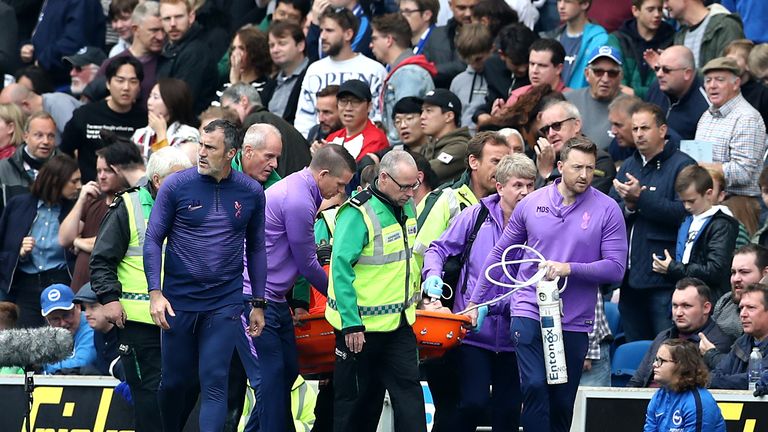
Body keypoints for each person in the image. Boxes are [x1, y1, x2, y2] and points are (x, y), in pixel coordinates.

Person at [469, 136, 628, 432]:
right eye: (577, 167)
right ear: (560, 166)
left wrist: (569, 268)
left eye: (590, 169)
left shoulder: (607, 209)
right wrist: (475, 303)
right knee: (533, 386)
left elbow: (616, 269)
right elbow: (499, 255)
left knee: (562, 400)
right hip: (529, 308)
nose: (584, 175)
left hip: (574, 319)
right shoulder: (531, 203)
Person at [142, 119, 267, 431]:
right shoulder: (176, 186)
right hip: (178, 303)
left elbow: (256, 249)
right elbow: (153, 239)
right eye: (200, 144)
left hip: (223, 303)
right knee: (174, 384)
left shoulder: (251, 191)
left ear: (231, 153)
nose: (201, 152)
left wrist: (259, 303)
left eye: (210, 147)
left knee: (214, 382)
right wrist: (155, 293)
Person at [423, 153, 535, 432]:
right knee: (471, 404)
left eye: (530, 186)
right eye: (518, 185)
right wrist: (432, 276)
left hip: (516, 336)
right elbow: (438, 248)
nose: (525, 192)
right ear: (500, 187)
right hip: (472, 334)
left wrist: (497, 307)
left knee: (508, 414)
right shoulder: (477, 214)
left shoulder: (540, 223)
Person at [90, 145, 191, 432]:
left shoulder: (189, 207)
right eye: (179, 178)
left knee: (180, 395)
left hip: (181, 323)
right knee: (149, 403)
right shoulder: (129, 207)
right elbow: (101, 259)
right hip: (139, 324)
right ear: (158, 180)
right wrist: (109, 299)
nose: (187, 185)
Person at [326, 150, 426, 432]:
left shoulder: (407, 207)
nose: (410, 193)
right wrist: (351, 323)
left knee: (411, 403)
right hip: (360, 329)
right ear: (383, 177)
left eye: (414, 185)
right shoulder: (358, 213)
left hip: (398, 325)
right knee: (357, 407)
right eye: (404, 186)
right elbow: (340, 270)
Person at [258, 144, 355, 432]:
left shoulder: (300, 190)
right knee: (273, 378)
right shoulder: (300, 199)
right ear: (323, 174)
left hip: (273, 298)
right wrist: (340, 298)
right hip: (255, 299)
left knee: (287, 372)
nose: (339, 192)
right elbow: (308, 264)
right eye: (339, 185)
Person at [611, 102, 696, 341]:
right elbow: (608, 211)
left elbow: (685, 211)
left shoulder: (683, 165)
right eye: (635, 128)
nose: (638, 134)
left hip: (662, 276)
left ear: (662, 130)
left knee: (665, 348)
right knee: (635, 349)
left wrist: (642, 199)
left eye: (645, 128)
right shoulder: (629, 164)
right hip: (628, 277)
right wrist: (628, 207)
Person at [0, 155, 80, 327]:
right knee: (25, 344)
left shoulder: (74, 209)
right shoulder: (18, 205)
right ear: (56, 181)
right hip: (25, 285)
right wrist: (19, 253)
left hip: (61, 283)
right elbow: (4, 247)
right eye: (74, 181)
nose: (78, 186)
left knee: (61, 341)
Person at [696, 57, 767, 235]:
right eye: (708, 80)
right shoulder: (706, 116)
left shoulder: (747, 118)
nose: (712, 85)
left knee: (736, 262)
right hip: (707, 202)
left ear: (736, 84)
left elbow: (745, 172)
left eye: (719, 80)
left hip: (738, 204)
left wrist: (707, 169)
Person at [295, 7, 386, 138]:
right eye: (321, 30)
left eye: (329, 31)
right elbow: (304, 119)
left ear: (348, 34)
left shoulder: (374, 70)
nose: (323, 36)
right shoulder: (314, 70)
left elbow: (379, 117)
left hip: (363, 146)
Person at [651, 165, 738, 298]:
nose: (687, 206)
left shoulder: (722, 224)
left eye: (691, 201)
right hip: (685, 293)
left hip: (710, 298)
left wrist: (673, 268)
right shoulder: (687, 220)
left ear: (708, 193)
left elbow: (715, 270)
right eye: (683, 201)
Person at [627, 278, 733, 387]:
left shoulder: (716, 343)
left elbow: (695, 386)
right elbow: (637, 380)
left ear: (706, 308)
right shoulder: (663, 336)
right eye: (675, 306)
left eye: (686, 306)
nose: (678, 313)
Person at [60, 56, 146, 183]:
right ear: (108, 83)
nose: (126, 87)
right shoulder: (85, 115)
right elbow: (64, 152)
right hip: (92, 191)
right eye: (120, 80)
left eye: (133, 81)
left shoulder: (144, 119)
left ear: (139, 87)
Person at [58, 149, 128, 292]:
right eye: (98, 171)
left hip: (106, 291)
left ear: (121, 172)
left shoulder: (128, 204)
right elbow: (64, 239)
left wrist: (77, 241)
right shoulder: (92, 202)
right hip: (80, 289)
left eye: (108, 171)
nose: (101, 176)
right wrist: (81, 200)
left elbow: (105, 243)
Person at [372, 13, 436, 146]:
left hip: (406, 154)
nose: (371, 45)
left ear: (389, 40)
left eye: (374, 39)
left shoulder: (408, 73)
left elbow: (407, 125)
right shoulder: (402, 71)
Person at [220, 83, 311, 178]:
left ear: (244, 101)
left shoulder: (256, 123)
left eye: (226, 108)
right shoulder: (275, 122)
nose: (224, 115)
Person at [534, 100, 616, 194]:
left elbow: (580, 200)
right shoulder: (546, 159)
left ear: (576, 125)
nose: (551, 134)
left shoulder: (599, 159)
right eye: (546, 130)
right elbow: (534, 202)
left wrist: (548, 174)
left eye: (557, 125)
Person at [643, 339, 726, 431]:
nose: (655, 364)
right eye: (656, 359)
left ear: (681, 366)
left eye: (661, 360)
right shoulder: (659, 396)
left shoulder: (698, 402)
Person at [97, 1, 165, 109]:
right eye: (154, 30)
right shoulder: (112, 63)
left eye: (163, 30)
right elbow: (92, 103)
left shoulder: (168, 62)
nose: (160, 37)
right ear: (135, 29)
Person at [702, 245, 768, 355]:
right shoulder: (725, 301)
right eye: (733, 272)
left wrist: (711, 354)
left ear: (765, 273)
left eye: (744, 272)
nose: (736, 279)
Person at [157, 0, 218, 114]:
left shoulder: (196, 52)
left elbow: (181, 102)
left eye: (179, 17)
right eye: (167, 18)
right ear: (161, 21)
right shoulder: (169, 47)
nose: (173, 24)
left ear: (191, 17)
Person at [28, 0, 106, 88]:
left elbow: (75, 42)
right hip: (45, 74)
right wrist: (28, 45)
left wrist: (44, 60)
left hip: (68, 79)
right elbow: (42, 31)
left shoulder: (83, 2)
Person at [608, 0, 674, 100]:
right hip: (623, 105)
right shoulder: (618, 39)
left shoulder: (671, 39)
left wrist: (637, 93)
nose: (657, 14)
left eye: (660, 9)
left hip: (659, 108)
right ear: (635, 10)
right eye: (650, 10)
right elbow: (615, 81)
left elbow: (671, 86)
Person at [564, 45, 625, 150]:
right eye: (598, 72)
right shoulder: (568, 100)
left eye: (612, 73)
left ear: (620, 77)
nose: (605, 79)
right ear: (587, 74)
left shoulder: (630, 107)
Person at [709, 283, 768, 389]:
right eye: (741, 308)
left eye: (751, 308)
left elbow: (757, 379)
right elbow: (716, 374)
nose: (743, 314)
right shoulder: (742, 342)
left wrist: (722, 381)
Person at [644, 46, 708, 141]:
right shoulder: (656, 87)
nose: (659, 74)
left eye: (666, 70)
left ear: (687, 74)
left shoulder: (706, 102)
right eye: (657, 68)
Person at [0, 112, 61, 211]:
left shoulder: (66, 169)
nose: (46, 141)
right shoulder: (4, 169)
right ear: (26, 137)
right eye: (39, 135)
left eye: (51, 136)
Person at [542, 0, 608, 89]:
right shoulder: (552, 38)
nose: (561, 6)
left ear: (585, 4)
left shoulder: (600, 40)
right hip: (554, 99)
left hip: (582, 100)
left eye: (567, 1)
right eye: (559, 1)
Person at [132, 78, 200, 160]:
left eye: (155, 97)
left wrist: (161, 133)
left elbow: (172, 168)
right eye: (150, 96)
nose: (149, 102)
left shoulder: (188, 134)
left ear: (171, 102)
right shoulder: (141, 134)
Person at [324, 80, 390, 162]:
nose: (348, 108)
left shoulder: (376, 139)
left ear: (369, 106)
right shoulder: (332, 137)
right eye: (343, 101)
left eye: (355, 102)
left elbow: (358, 172)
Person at [667, 0, 744, 68]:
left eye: (667, 0)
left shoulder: (725, 26)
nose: (665, 6)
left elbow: (727, 71)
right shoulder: (679, 36)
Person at [39, 284, 97, 374]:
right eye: (55, 319)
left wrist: (47, 365)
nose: (62, 323)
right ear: (47, 319)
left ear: (78, 307)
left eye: (66, 315)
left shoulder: (91, 326)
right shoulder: (47, 334)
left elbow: (82, 363)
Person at [0, 83, 82, 145]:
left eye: (9, 109)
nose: (8, 114)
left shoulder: (58, 104)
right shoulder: (32, 119)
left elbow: (77, 140)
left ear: (25, 105)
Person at [419, 88, 471, 184]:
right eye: (422, 111)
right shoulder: (429, 145)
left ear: (449, 116)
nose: (422, 116)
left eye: (429, 111)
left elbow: (428, 172)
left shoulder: (461, 146)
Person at [72, 283, 123, 377]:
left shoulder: (125, 334)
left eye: (92, 307)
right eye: (85, 308)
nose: (87, 313)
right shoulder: (98, 333)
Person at [450, 23, 492, 134]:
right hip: (463, 141)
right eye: (467, 59)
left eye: (478, 58)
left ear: (490, 50)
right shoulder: (458, 81)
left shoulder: (497, 78)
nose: (473, 63)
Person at [267, 21, 310, 124]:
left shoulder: (312, 74)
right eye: (271, 45)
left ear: (300, 45)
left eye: (282, 43)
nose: (275, 50)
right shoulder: (272, 82)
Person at [221, 26, 275, 105]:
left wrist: (235, 82)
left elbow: (243, 112)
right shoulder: (225, 87)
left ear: (255, 52)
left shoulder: (264, 88)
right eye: (234, 48)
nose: (235, 53)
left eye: (242, 48)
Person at [723, 39, 768, 128]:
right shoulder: (725, 90)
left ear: (748, 64)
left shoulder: (762, 92)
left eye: (733, 61)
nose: (728, 65)